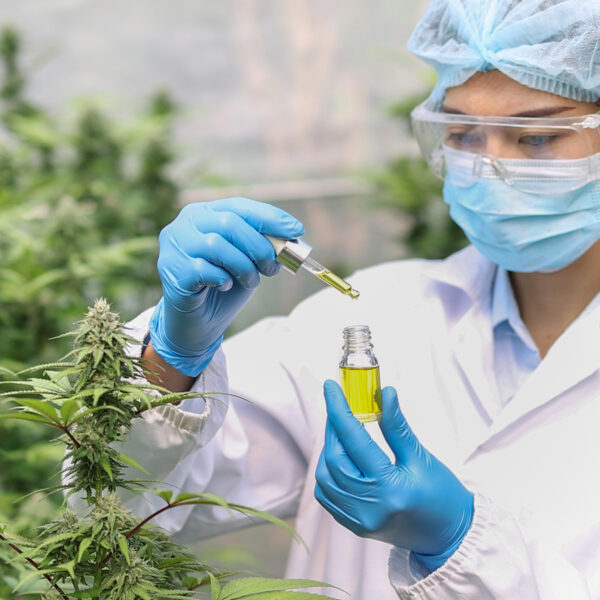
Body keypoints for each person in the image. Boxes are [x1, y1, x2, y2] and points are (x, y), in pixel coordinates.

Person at [117, 1, 600, 598]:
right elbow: (130, 500)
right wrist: (169, 361)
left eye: (536, 137)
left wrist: (461, 544)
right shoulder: (370, 315)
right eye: (463, 135)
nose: (487, 166)